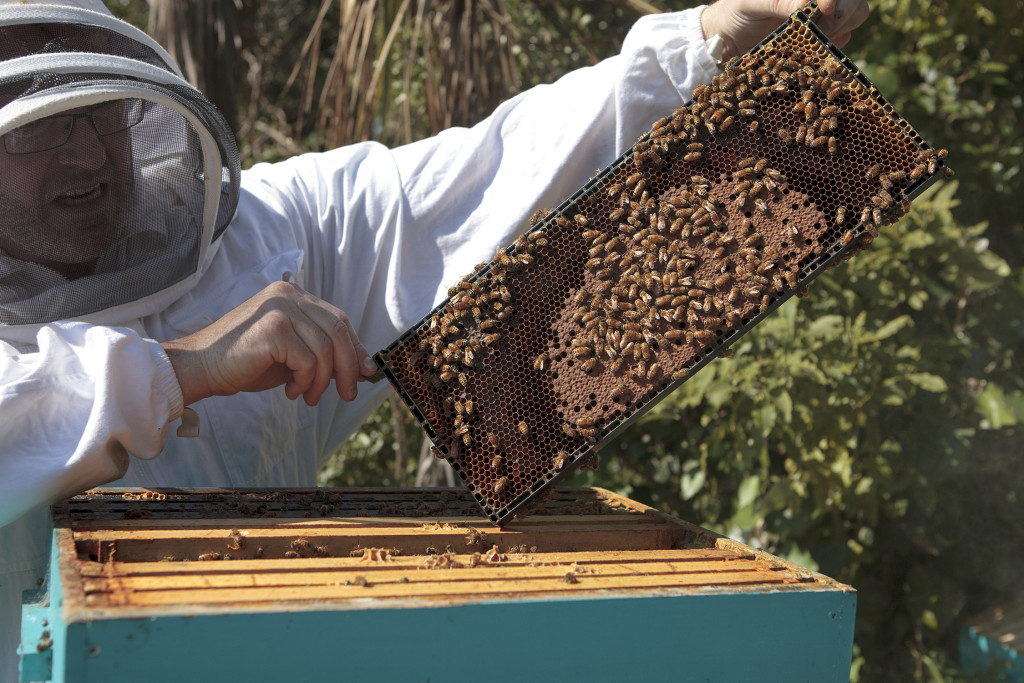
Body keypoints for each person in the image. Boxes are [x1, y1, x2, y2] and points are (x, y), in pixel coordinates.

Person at [0, 0, 868, 676]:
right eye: (38, 128)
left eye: (99, 111)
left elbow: (489, 178)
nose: (85, 156)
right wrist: (179, 372)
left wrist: (704, 48)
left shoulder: (262, 236)